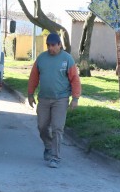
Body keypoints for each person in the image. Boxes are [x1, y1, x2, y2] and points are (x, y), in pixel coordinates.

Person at [27, 32, 81, 168]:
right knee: (42, 126)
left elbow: (75, 79)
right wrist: (30, 94)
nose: (50, 48)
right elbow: (33, 77)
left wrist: (75, 98)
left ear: (59, 45)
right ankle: (48, 146)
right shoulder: (41, 58)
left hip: (61, 99)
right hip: (44, 98)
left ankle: (55, 157)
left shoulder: (67, 59)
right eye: (48, 45)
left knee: (57, 128)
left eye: (53, 45)